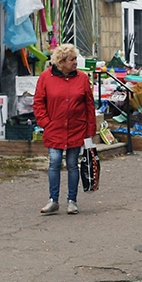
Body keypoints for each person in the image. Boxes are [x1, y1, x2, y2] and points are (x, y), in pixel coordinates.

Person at [34, 44, 95, 215]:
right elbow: (38, 101)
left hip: (76, 128)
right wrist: (46, 123)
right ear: (61, 62)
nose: (76, 62)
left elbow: (89, 105)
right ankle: (53, 200)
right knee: (54, 162)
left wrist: (90, 129)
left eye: (76, 59)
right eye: (72, 60)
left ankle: (72, 201)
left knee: (72, 164)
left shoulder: (82, 78)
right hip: (55, 128)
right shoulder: (46, 77)